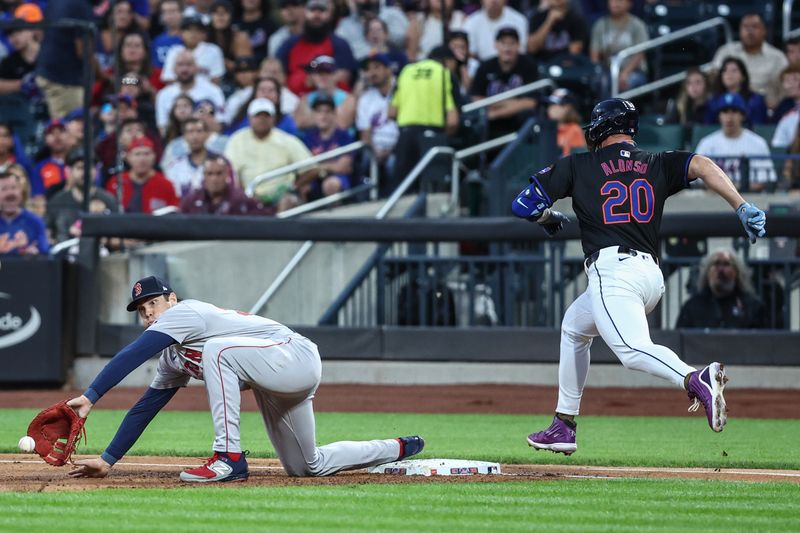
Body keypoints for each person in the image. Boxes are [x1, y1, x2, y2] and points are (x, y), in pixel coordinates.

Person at [511, 98, 767, 454]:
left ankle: (695, 378)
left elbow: (523, 205)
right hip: (650, 277)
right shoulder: (656, 162)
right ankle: (563, 425)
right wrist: (741, 205)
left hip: (612, 271)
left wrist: (548, 219)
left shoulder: (579, 165)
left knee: (631, 351)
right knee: (574, 328)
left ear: (600, 128)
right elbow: (704, 164)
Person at [66, 276, 424, 482]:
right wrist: (108, 459)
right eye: (142, 312)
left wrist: (91, 396)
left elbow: (133, 354)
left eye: (153, 305)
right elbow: (147, 406)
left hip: (293, 355)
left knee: (217, 351)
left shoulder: (185, 313)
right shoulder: (173, 356)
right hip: (274, 378)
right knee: (306, 466)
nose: (148, 315)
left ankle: (228, 458)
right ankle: (397, 447)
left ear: (171, 299)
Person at [388, 46, 459, 196]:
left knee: (401, 191)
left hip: (405, 135)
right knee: (433, 192)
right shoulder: (443, 73)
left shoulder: (406, 71)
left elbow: (391, 112)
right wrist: (445, 136)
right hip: (432, 136)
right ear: (447, 61)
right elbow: (453, 120)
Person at [224, 98, 317, 209]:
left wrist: (293, 187)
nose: (262, 120)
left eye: (266, 116)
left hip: (280, 196)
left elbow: (312, 168)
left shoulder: (286, 140)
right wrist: (242, 193)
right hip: (247, 194)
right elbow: (229, 171)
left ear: (274, 118)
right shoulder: (237, 140)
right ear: (249, 118)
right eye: (258, 116)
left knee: (288, 201)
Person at [695, 93, 776, 192]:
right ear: (719, 116)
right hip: (713, 198)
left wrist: (729, 190)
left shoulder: (758, 143)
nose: (729, 117)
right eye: (725, 112)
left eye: (734, 111)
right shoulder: (706, 143)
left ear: (742, 115)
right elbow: (697, 180)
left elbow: (765, 181)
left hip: (748, 199)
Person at [276, 0, 358, 95]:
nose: (316, 15)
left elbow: (345, 77)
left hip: (331, 102)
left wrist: (314, 80)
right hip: (292, 100)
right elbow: (276, 71)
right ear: (305, 13)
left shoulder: (340, 44)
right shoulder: (289, 44)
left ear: (329, 15)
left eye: (322, 11)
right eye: (312, 10)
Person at [469, 27, 537, 137]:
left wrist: (495, 113)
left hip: (517, 122)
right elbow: (475, 98)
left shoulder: (529, 65)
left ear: (518, 45)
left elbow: (531, 102)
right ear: (496, 45)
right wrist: (511, 103)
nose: (507, 48)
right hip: (490, 126)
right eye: (503, 43)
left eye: (512, 43)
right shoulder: (485, 66)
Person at [676, 249, 767, 329]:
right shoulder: (692, 306)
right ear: (707, 272)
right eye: (716, 264)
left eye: (726, 264)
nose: (720, 269)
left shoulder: (751, 306)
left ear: (737, 272)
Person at [712, 13, 787, 108]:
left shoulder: (777, 57)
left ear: (764, 31)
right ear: (739, 31)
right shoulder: (726, 52)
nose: (749, 31)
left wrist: (777, 106)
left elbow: (786, 87)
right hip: (727, 107)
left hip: (764, 110)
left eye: (754, 27)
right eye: (745, 27)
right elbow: (714, 79)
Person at [35, 0, 95, 118]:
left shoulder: (57, 2)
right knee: (73, 128)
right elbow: (83, 51)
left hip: (48, 74)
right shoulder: (80, 5)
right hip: (64, 81)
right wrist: (101, 75)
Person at [46, 149, 119, 243]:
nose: (85, 172)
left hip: (101, 254)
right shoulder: (57, 201)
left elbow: (117, 237)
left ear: (96, 171)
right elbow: (47, 235)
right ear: (70, 171)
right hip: (64, 255)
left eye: (89, 167)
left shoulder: (108, 200)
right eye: (80, 168)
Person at [155, 50, 225, 133]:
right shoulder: (164, 95)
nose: (184, 69)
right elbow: (163, 128)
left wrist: (203, 115)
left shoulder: (213, 91)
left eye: (189, 64)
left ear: (197, 68)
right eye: (180, 65)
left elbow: (220, 125)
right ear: (173, 69)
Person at [106, 136, 180, 214]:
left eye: (146, 154)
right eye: (137, 154)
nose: (142, 159)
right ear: (128, 157)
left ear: (154, 156)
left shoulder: (166, 185)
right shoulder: (116, 182)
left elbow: (174, 213)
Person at [302, 94, 355, 201]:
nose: (323, 116)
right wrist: (328, 166)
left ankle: (333, 217)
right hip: (314, 179)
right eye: (319, 111)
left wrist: (320, 167)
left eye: (327, 111)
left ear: (334, 114)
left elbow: (343, 167)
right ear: (313, 115)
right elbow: (305, 168)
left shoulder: (343, 136)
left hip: (339, 178)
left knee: (330, 184)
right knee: (302, 186)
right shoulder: (308, 138)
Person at [181, 154, 270, 215]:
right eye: (210, 174)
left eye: (219, 173)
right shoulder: (191, 201)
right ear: (204, 176)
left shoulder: (242, 200)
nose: (214, 179)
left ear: (227, 174)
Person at [589, 0, 647, 93]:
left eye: (619, 1)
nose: (615, 4)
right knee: (601, 81)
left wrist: (625, 74)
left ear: (629, 4)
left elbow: (639, 54)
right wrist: (597, 72)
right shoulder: (601, 24)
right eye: (612, 1)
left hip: (633, 71)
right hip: (608, 70)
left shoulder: (637, 25)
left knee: (627, 82)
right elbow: (594, 53)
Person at [356, 52, 399, 178]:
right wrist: (376, 152)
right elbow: (365, 134)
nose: (372, 73)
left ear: (388, 69)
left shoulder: (402, 90)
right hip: (374, 148)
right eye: (368, 69)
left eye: (377, 67)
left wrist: (391, 150)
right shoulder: (365, 98)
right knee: (365, 161)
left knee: (394, 162)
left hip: (399, 145)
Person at [293, 55, 356, 130]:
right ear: (312, 76)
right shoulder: (306, 98)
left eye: (327, 72)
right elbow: (298, 123)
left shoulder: (348, 98)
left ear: (335, 75)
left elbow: (342, 124)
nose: (323, 77)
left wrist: (312, 117)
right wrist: (330, 118)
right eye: (318, 73)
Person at [163, 117, 220, 197]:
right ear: (184, 136)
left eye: (199, 131)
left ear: (207, 134)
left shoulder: (221, 163)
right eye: (190, 132)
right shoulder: (175, 167)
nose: (195, 136)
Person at [161, 15, 226, 84]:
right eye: (189, 30)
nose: (193, 34)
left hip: (207, 93)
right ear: (181, 33)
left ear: (204, 34)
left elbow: (216, 79)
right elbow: (168, 78)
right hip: (179, 93)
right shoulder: (174, 51)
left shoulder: (213, 50)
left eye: (198, 30)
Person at [335, 0, 409, 61]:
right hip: (360, 70)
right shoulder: (345, 25)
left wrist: (378, 29)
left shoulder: (393, 15)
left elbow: (406, 41)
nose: (367, 1)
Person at [706, 57, 767, 126]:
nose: (729, 74)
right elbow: (709, 128)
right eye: (725, 70)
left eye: (734, 70)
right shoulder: (713, 102)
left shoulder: (756, 101)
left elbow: (760, 128)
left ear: (743, 76)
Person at [0, 169, 49, 256]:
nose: (10, 192)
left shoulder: (35, 222)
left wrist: (34, 254)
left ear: (21, 192)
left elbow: (45, 254)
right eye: (4, 189)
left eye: (14, 188)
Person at [462, 0, 527, 62]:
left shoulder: (519, 20)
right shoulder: (471, 22)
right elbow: (470, 55)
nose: (494, 0)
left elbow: (521, 51)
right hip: (483, 68)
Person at [208, 0, 253, 75]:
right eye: (216, 12)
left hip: (233, 78)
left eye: (225, 12)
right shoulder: (203, 35)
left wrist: (231, 64)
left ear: (231, 16)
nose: (220, 16)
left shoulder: (239, 37)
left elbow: (246, 66)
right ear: (210, 16)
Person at [32, 119, 73, 200]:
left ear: (69, 136)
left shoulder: (79, 163)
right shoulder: (40, 168)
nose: (57, 136)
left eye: (61, 131)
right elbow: (38, 198)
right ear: (45, 139)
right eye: (51, 133)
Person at [546, 88, 585, 156]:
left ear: (568, 107)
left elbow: (577, 158)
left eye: (557, 104)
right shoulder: (544, 128)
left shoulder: (574, 129)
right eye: (551, 104)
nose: (552, 108)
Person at [151, 0, 184, 69]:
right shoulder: (157, 41)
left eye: (173, 11)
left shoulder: (190, 39)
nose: (169, 16)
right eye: (165, 12)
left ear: (182, 13)